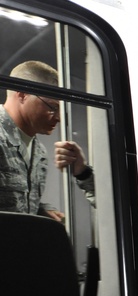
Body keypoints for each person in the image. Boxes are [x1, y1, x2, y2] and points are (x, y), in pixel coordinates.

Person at [0, 60, 95, 219]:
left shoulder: (38, 151)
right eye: (52, 107)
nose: (58, 117)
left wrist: (39, 211)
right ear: (23, 95)